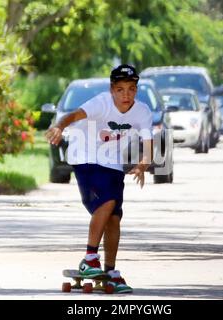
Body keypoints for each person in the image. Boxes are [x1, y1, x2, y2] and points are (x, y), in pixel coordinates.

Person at [45, 64, 153, 293]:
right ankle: (90, 258)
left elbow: (148, 142)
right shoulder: (100, 103)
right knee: (107, 203)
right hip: (84, 156)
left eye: (132, 89)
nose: (126, 95)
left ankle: (111, 272)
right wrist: (59, 127)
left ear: (137, 90)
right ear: (112, 89)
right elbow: (72, 115)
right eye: (121, 90)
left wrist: (144, 163)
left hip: (111, 161)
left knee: (114, 216)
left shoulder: (142, 111)